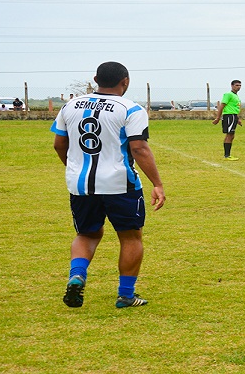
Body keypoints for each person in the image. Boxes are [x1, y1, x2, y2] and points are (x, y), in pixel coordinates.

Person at [51, 61, 165, 308]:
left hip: (80, 185)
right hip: (120, 184)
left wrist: (73, 169)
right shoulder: (131, 109)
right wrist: (157, 183)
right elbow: (139, 147)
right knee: (131, 237)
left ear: (95, 79)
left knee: (86, 233)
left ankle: (77, 276)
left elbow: (59, 145)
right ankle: (125, 295)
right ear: (125, 82)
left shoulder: (70, 106)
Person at [211, 80, 243, 160]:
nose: (238, 87)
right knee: (229, 135)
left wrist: (237, 119)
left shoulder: (236, 96)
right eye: (236, 85)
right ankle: (227, 155)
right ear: (232, 86)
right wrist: (218, 118)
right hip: (229, 116)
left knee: (231, 135)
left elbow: (234, 108)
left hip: (233, 116)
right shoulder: (228, 95)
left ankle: (227, 155)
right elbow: (222, 106)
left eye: (239, 85)